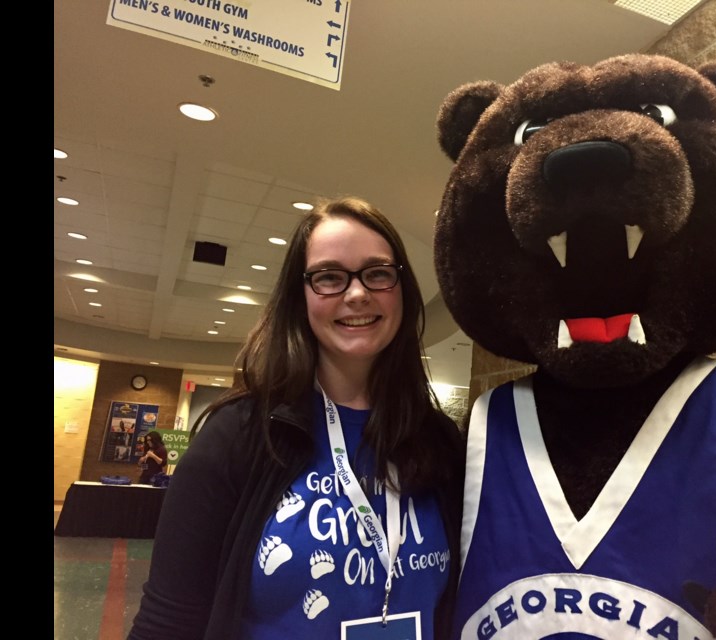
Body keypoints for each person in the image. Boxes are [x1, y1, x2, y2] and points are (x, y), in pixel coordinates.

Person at [129, 196, 465, 640]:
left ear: (402, 289)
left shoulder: (437, 439)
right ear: (299, 297)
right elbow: (166, 625)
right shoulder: (238, 435)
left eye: (378, 273)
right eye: (329, 277)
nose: (358, 293)